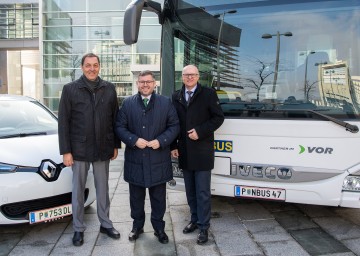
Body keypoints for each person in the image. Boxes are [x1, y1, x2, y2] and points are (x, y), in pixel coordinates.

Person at [58, 53, 121, 246]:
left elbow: (115, 118)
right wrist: (66, 151)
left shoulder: (109, 88)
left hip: (103, 148)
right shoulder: (70, 90)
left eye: (95, 65)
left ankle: (106, 223)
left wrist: (116, 144)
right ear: (82, 67)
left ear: (99, 67)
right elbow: (63, 123)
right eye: (88, 65)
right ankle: (78, 229)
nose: (91, 68)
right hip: (79, 150)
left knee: (103, 189)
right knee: (78, 191)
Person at [115, 70, 179, 244]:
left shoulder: (165, 103)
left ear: (154, 83)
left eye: (148, 82)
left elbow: (174, 125)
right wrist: (134, 140)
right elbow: (120, 127)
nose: (145, 85)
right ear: (137, 83)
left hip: (158, 159)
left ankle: (159, 228)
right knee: (136, 197)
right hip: (135, 160)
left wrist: (162, 140)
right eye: (142, 82)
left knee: (158, 198)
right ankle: (137, 226)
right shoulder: (128, 103)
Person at [171, 65, 224, 245]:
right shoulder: (176, 96)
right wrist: (172, 145)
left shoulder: (208, 94)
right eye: (186, 75)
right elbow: (173, 123)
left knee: (202, 192)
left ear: (198, 76)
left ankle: (203, 227)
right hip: (184, 151)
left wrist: (200, 131)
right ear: (182, 77)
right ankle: (194, 220)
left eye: (192, 74)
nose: (189, 77)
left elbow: (218, 118)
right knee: (190, 191)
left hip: (202, 151)